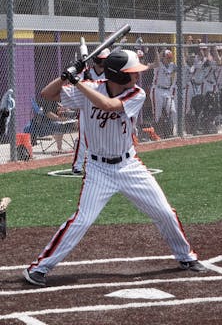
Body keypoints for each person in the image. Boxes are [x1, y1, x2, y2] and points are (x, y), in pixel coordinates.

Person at [22, 50, 205, 288]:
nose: (137, 77)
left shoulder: (136, 93)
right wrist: (66, 76)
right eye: (132, 73)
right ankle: (39, 269)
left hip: (129, 165)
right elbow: (47, 94)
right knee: (82, 220)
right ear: (119, 76)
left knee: (164, 212)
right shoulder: (90, 87)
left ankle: (186, 257)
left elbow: (108, 105)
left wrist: (78, 82)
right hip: (98, 169)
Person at [72, 48, 109, 174]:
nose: (102, 64)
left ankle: (103, 163)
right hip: (87, 107)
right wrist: (83, 80)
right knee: (83, 137)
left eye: (104, 61)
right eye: (100, 61)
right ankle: (77, 166)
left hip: (104, 108)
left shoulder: (110, 74)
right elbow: (74, 86)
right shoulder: (85, 71)